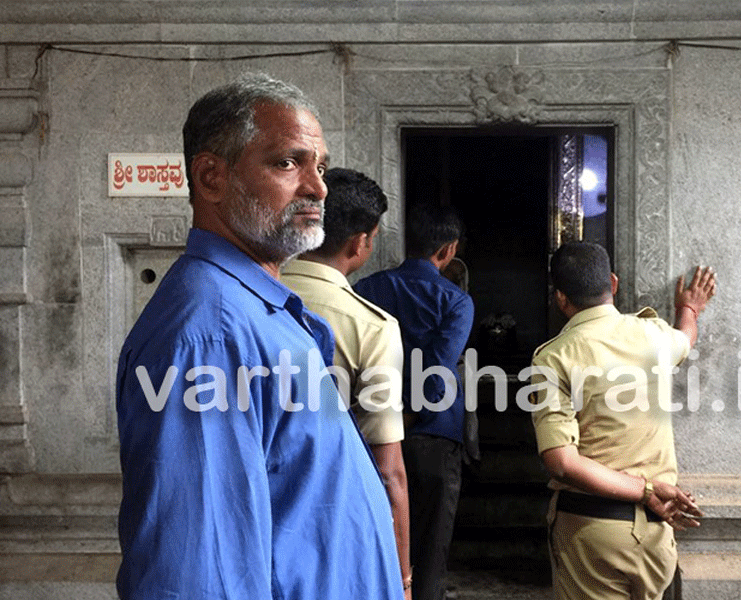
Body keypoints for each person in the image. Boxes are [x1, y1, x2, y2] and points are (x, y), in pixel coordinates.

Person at [114, 74, 403, 600]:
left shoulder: (255, 308)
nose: (318, 187)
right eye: (287, 163)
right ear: (211, 177)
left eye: (319, 165)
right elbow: (200, 570)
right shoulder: (210, 333)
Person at [529, 241, 715, 600]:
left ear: (561, 299)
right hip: (656, 538)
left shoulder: (554, 359)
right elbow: (685, 339)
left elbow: (561, 462)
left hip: (592, 534)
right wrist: (690, 308)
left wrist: (645, 490)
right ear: (613, 283)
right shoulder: (655, 335)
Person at [280, 167, 413, 597]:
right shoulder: (371, 327)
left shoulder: (252, 299)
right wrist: (404, 578)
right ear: (361, 241)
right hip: (338, 527)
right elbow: (389, 470)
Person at [354, 205, 475, 600]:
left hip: (373, 432)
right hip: (433, 435)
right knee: (430, 546)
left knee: (380, 537)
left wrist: (390, 420)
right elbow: (437, 375)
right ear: (449, 248)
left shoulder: (367, 289)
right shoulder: (455, 301)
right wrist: (407, 417)